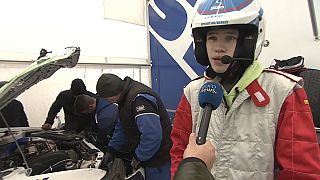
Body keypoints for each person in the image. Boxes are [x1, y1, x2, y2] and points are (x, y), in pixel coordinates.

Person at [170, 0, 320, 179]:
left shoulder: (283, 91)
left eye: (229, 37)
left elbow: (299, 173)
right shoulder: (192, 92)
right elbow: (179, 154)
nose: (218, 47)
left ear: (248, 41)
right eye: (212, 38)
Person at [96, 73, 172, 180]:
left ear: (114, 94)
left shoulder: (140, 99)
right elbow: (122, 125)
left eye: (107, 99)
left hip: (159, 159)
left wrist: (139, 156)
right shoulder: (124, 98)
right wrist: (112, 149)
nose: (107, 102)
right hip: (148, 155)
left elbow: (152, 136)